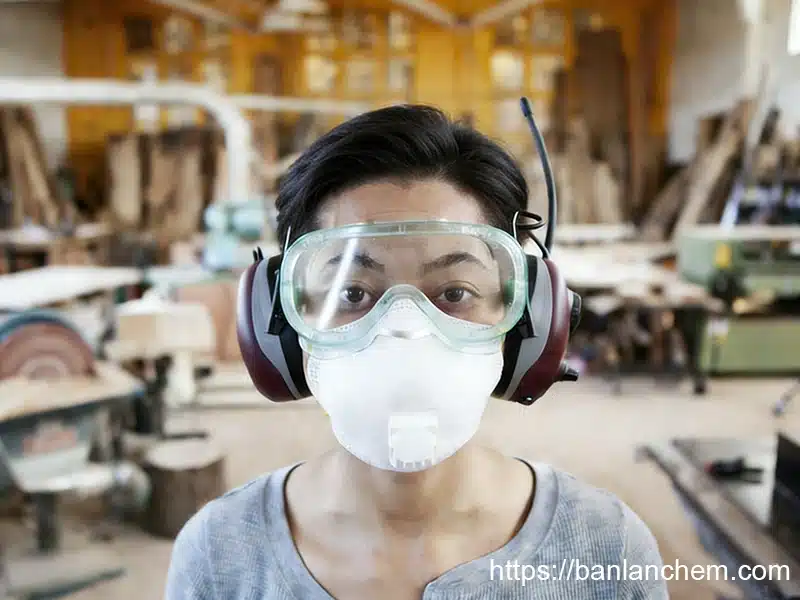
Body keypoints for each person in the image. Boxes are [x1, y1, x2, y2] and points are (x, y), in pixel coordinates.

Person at [165, 104, 667, 599]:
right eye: (352, 293)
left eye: (454, 293)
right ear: (276, 320)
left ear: (531, 317)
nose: (404, 331)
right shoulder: (219, 557)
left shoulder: (607, 551)